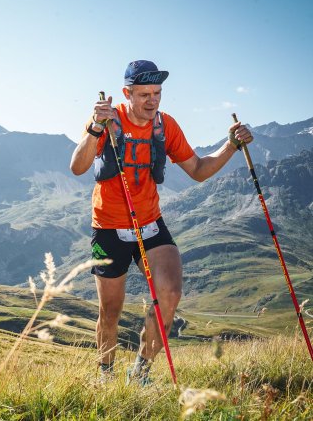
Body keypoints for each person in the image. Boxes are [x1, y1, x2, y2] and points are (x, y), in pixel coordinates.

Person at [69, 60, 253, 384]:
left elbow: (197, 169)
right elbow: (78, 167)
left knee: (169, 292)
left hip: (150, 223)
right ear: (127, 93)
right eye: (143, 94)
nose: (151, 101)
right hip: (108, 229)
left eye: (157, 93)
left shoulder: (165, 126)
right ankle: (105, 376)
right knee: (110, 311)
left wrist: (231, 146)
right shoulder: (108, 121)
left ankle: (139, 371)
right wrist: (95, 127)